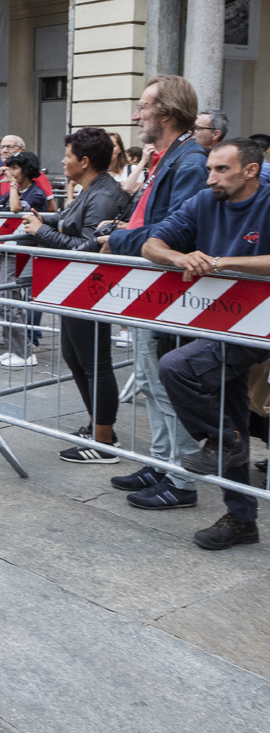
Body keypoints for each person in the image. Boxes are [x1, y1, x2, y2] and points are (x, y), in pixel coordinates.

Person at [143, 138, 270, 548]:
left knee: (177, 367)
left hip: (259, 327)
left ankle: (224, 443)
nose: (211, 177)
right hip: (218, 324)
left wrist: (220, 262)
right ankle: (241, 520)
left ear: (250, 171)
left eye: (222, 170)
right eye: (210, 169)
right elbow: (151, 243)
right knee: (229, 423)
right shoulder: (203, 200)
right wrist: (179, 258)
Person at [99, 74, 208, 503]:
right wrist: (126, 230)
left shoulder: (191, 161)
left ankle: (181, 480)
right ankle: (162, 462)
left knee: (162, 382)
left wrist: (120, 237)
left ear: (166, 112)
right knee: (147, 378)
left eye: (142, 106)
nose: (135, 114)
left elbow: (174, 232)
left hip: (168, 288)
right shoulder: (170, 157)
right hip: (149, 285)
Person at [22, 129, 129, 461]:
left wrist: (41, 231)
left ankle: (104, 442)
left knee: (96, 364)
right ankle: (98, 426)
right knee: (76, 358)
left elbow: (87, 248)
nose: (63, 161)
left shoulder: (103, 195)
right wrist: (47, 220)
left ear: (84, 161)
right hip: (74, 289)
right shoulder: (92, 190)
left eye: (67, 156)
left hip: (89, 288)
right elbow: (71, 219)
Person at [0, 151, 46, 367]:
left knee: (9, 302)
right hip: (2, 249)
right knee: (3, 301)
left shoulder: (36, 193)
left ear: (26, 171)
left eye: (15, 168)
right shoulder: (10, 192)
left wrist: (13, 184)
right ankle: (12, 347)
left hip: (19, 253)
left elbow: (16, 210)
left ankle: (25, 352)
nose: (10, 172)